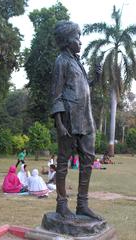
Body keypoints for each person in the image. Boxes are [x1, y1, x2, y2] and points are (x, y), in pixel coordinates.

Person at [51, 20, 102, 219]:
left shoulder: (76, 61)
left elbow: (82, 88)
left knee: (88, 160)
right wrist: (59, 123)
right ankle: (61, 204)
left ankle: (82, 204)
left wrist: (95, 80)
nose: (80, 42)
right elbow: (55, 95)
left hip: (86, 119)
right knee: (63, 162)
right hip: (69, 119)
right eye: (77, 38)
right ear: (66, 41)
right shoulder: (61, 61)